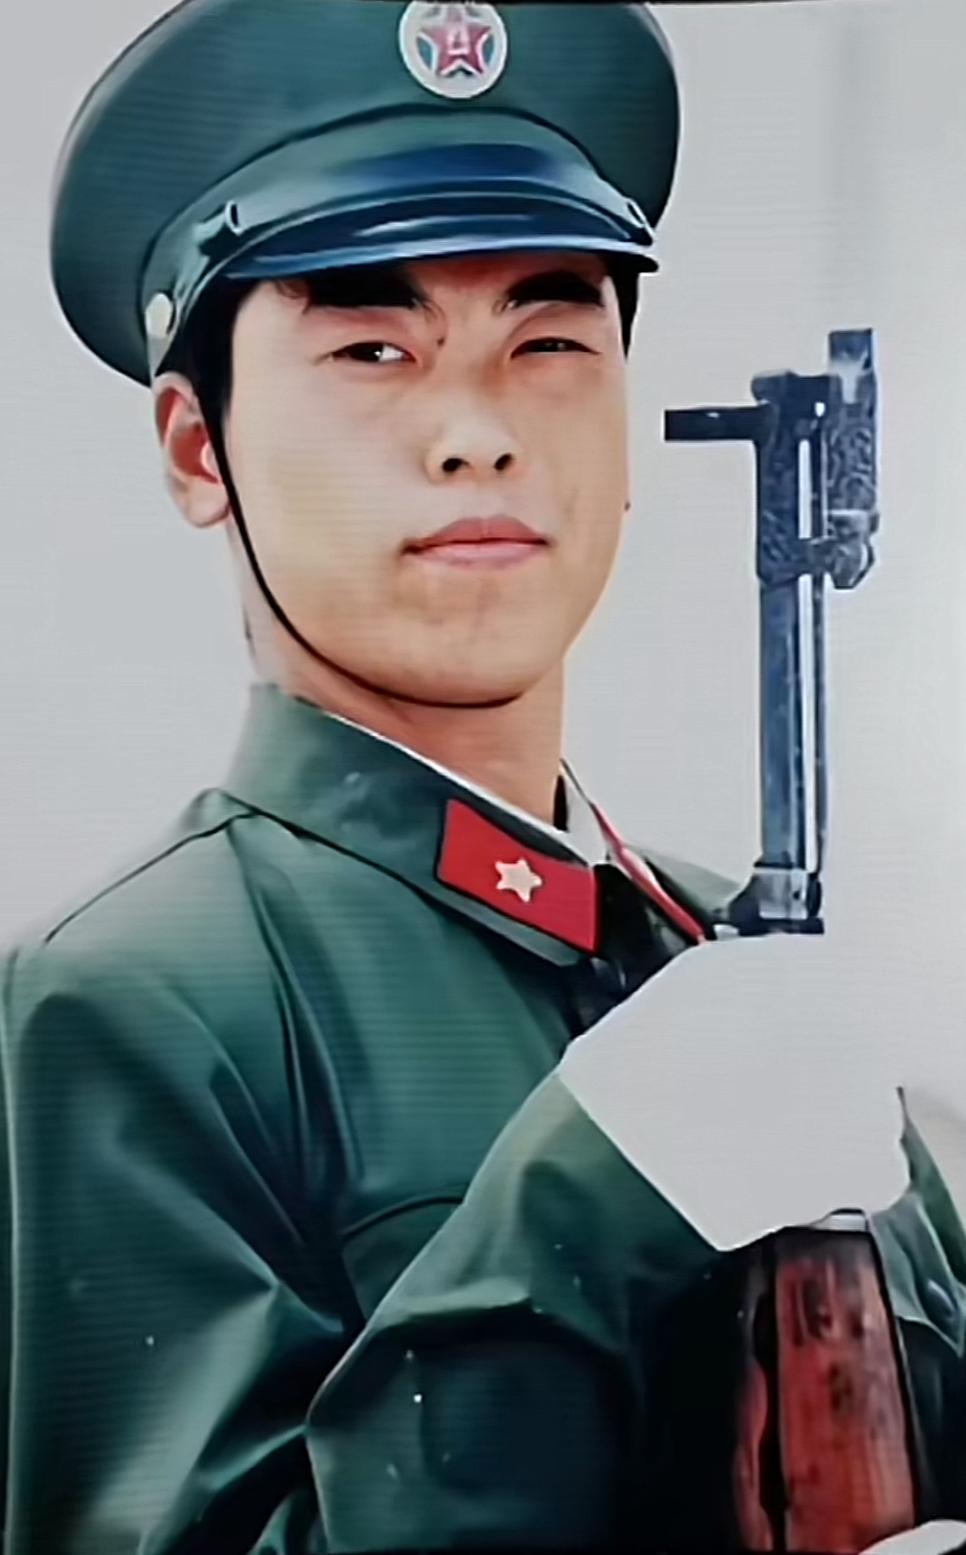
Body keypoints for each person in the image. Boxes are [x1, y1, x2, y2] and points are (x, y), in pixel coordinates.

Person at [1, 2, 964, 1551]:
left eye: (549, 339)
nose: (475, 433)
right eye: (372, 347)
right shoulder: (126, 1002)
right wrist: (583, 1207)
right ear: (196, 448)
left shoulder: (743, 967)